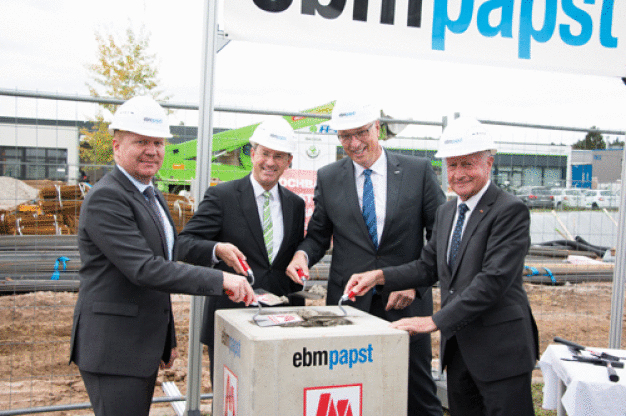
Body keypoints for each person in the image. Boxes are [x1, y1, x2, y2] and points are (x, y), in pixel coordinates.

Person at [69, 96, 255, 416]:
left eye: (158, 142)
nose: (152, 150)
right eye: (141, 141)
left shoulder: (149, 193)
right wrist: (222, 279)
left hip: (138, 344)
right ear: (116, 146)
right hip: (114, 350)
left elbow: (167, 250)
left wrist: (215, 250)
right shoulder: (108, 198)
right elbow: (146, 268)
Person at [345, 116, 539, 416]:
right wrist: (379, 276)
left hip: (501, 351)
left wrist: (434, 321)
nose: (458, 174)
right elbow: (427, 266)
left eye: (467, 164)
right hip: (460, 349)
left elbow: (493, 281)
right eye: (452, 165)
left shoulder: (509, 211)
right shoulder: (448, 211)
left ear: (489, 164)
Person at [286, 99, 446, 416]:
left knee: (416, 393)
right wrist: (303, 255)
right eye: (345, 136)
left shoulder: (418, 172)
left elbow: (440, 236)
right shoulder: (330, 176)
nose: (354, 143)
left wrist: (414, 283)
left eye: (361, 132)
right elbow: (319, 235)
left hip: (405, 304)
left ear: (377, 128)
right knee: (349, 390)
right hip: (349, 305)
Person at [177, 117, 306, 379]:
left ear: (289, 161)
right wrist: (217, 249)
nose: (270, 162)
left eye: (279, 156)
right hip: (232, 322)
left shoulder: (295, 204)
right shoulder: (222, 196)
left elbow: (286, 257)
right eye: (265, 153)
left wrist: (301, 259)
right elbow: (184, 244)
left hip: (280, 322)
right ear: (253, 153)